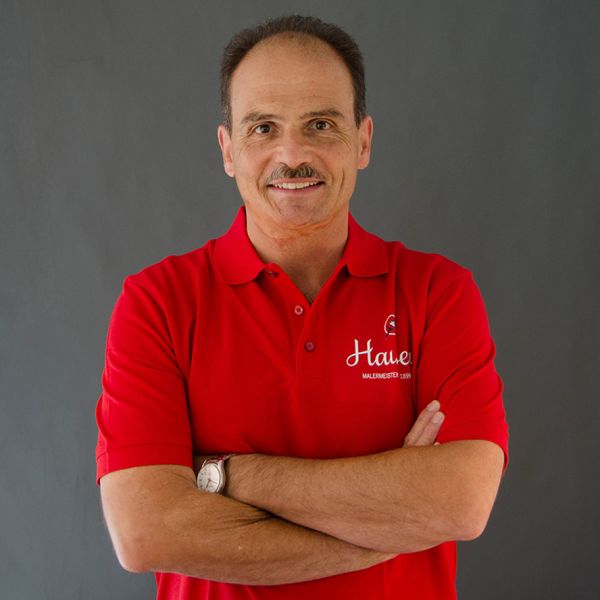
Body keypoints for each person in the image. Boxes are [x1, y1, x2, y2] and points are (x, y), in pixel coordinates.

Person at [95, 14, 509, 600]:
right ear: (228, 150)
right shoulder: (157, 302)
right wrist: (387, 530)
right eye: (263, 127)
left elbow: (461, 502)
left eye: (320, 124)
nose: (292, 155)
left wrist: (228, 474)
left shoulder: (437, 292)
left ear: (363, 141)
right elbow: (146, 532)